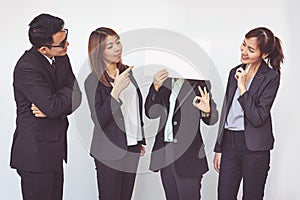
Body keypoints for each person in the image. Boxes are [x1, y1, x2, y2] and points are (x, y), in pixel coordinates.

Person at [10, 13, 82, 200]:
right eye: (62, 43)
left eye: (66, 37)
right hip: (36, 155)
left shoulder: (61, 56)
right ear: (43, 49)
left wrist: (56, 104)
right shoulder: (27, 67)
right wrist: (59, 101)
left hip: (54, 151)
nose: (67, 45)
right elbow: (53, 106)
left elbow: (77, 95)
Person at [213, 27, 284, 200]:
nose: (244, 52)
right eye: (244, 45)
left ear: (264, 54)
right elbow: (227, 111)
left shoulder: (270, 77)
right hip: (230, 142)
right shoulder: (234, 72)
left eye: (251, 50)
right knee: (224, 195)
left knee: (252, 196)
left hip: (255, 147)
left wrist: (243, 88)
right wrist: (219, 147)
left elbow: (258, 117)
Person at [84, 27, 146, 200]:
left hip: (131, 147)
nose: (117, 48)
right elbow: (100, 120)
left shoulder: (127, 71)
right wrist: (115, 91)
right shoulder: (93, 80)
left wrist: (138, 138)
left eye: (118, 42)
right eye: (110, 46)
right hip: (108, 151)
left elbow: (133, 108)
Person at [145, 70, 218, 200]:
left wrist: (207, 111)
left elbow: (212, 119)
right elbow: (151, 113)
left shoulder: (198, 83)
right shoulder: (164, 82)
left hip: (188, 156)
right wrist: (155, 87)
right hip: (165, 154)